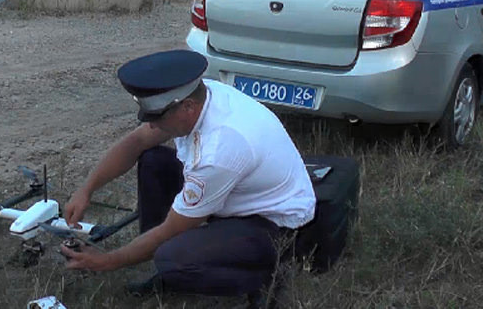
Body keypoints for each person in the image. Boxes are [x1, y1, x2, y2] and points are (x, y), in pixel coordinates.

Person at [61, 49, 316, 299]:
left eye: (157, 117)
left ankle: (265, 282)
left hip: (273, 224)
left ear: (187, 108)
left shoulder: (219, 150)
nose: (151, 124)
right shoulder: (200, 95)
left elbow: (173, 228)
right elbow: (137, 141)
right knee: (153, 161)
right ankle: (161, 266)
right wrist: (86, 189)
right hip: (238, 195)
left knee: (172, 258)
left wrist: (107, 261)